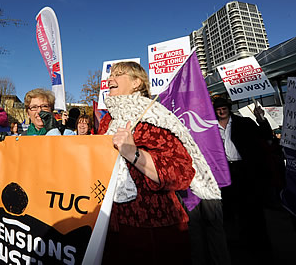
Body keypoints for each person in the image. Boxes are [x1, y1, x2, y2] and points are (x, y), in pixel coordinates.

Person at [98, 61, 220, 264]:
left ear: (137, 82)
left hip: (153, 228)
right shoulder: (106, 120)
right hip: (112, 225)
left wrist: (134, 154)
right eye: (110, 75)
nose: (110, 79)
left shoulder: (156, 117)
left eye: (118, 74)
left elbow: (181, 173)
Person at [213, 97, 273, 263]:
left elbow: (266, 136)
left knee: (252, 209)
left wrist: (260, 118)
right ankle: (237, 248)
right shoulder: (209, 128)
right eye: (218, 108)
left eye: (224, 107)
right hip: (224, 174)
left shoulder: (244, 123)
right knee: (229, 211)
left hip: (245, 172)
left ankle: (260, 246)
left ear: (229, 108)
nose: (221, 110)